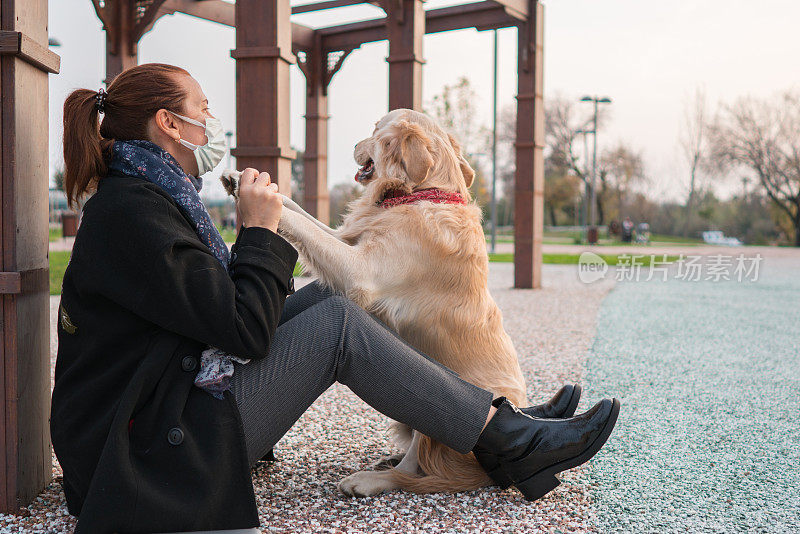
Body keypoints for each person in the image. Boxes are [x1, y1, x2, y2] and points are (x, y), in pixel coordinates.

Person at [50, 63, 620, 533]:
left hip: (167, 413)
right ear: (168, 123)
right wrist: (257, 235)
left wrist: (267, 234)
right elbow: (241, 328)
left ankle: (502, 425)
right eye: (203, 111)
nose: (212, 124)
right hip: (147, 458)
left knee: (330, 300)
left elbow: (220, 314)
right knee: (340, 326)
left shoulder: (147, 197)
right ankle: (512, 440)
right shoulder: (133, 213)